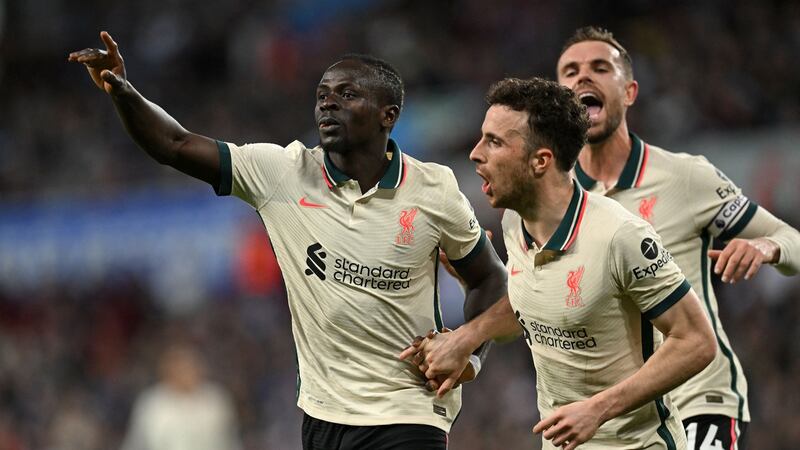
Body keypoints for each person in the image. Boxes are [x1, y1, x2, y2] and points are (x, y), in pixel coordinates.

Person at [68, 32, 507, 450]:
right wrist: (122, 91)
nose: (328, 103)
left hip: (410, 411)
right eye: (322, 95)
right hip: (323, 415)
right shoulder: (282, 173)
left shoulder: (434, 189)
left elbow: (490, 280)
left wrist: (468, 351)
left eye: (347, 94)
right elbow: (175, 143)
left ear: (387, 115)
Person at [401, 77, 717, 449]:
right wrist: (467, 337)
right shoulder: (514, 222)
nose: (475, 153)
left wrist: (598, 409)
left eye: (494, 142)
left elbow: (697, 341)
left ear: (540, 161)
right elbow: (530, 310)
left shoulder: (620, 236)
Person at [555, 26, 800, 449]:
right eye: (571, 71)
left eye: (600, 67)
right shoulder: (554, 200)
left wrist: (766, 245)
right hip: (612, 418)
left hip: (696, 400)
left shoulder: (684, 177)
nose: (584, 77)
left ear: (630, 92)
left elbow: (791, 238)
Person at [121, 343, 242, 450]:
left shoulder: (216, 399)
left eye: (190, 366)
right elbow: (137, 443)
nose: (186, 373)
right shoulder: (152, 402)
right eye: (180, 367)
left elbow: (230, 441)